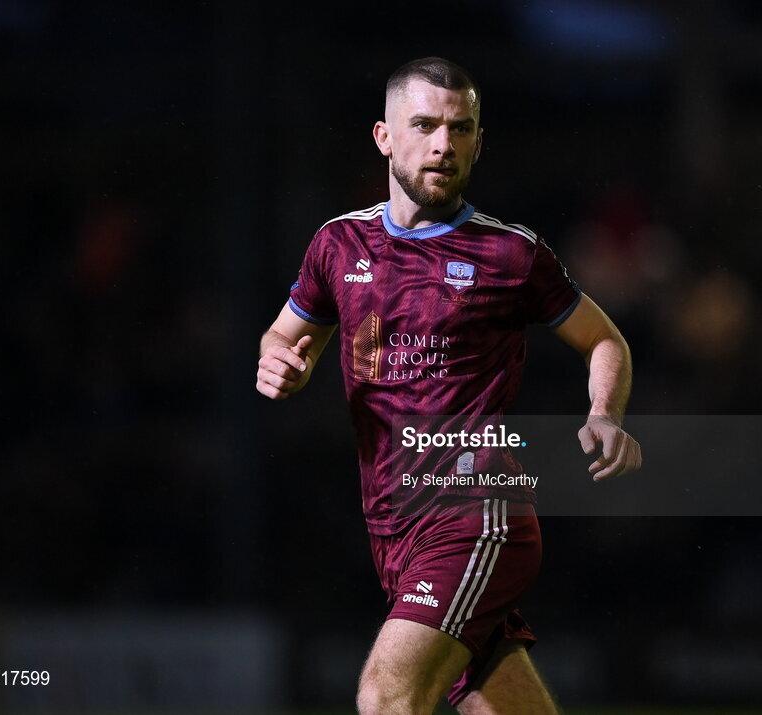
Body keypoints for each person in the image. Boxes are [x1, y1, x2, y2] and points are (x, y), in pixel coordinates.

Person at [256, 57, 641, 714]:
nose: (443, 144)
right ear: (384, 136)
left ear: (479, 141)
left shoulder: (511, 254)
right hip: (393, 527)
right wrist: (278, 364)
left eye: (461, 129)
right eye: (426, 125)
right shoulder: (337, 245)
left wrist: (604, 411)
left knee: (386, 695)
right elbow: (283, 337)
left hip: (474, 510)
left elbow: (605, 339)